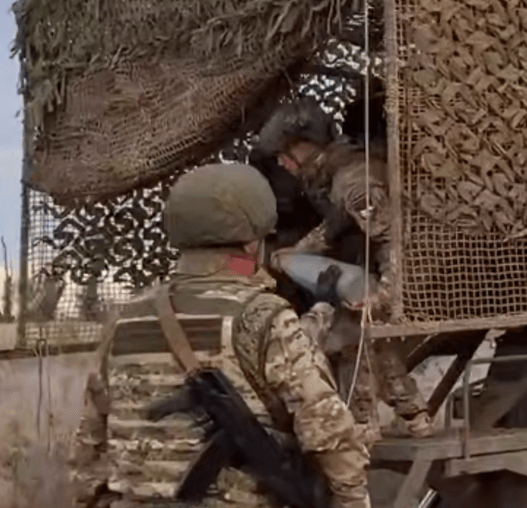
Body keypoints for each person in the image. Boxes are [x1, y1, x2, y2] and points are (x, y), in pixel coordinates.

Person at [68, 163, 372, 508]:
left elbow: (90, 445)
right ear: (251, 241)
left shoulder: (125, 320)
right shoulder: (264, 316)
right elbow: (330, 433)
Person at [254, 98, 433, 441]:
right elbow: (337, 224)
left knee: (344, 335)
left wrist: (385, 295)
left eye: (284, 152)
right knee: (359, 325)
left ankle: (362, 425)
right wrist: (297, 253)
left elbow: (393, 241)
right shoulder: (334, 175)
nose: (280, 161)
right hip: (373, 272)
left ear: (306, 146)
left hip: (409, 273)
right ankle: (414, 415)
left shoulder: (354, 181)